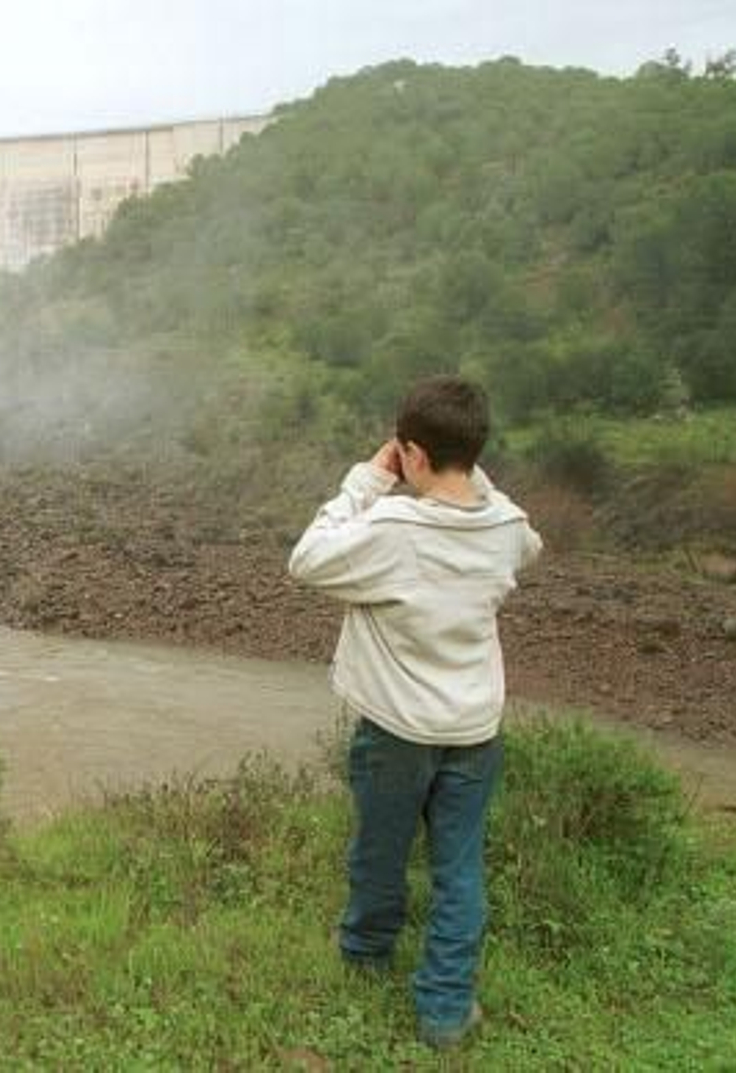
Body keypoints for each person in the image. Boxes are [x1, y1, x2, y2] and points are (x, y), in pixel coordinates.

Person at [286, 375, 542, 1050]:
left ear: (411, 454)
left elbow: (307, 558)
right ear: (474, 450)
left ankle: (365, 958)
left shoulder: (392, 528)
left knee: (380, 851)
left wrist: (369, 477)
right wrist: (468, 472)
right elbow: (526, 539)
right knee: (459, 870)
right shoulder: (507, 530)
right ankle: (445, 1012)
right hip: (473, 734)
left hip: (397, 733)